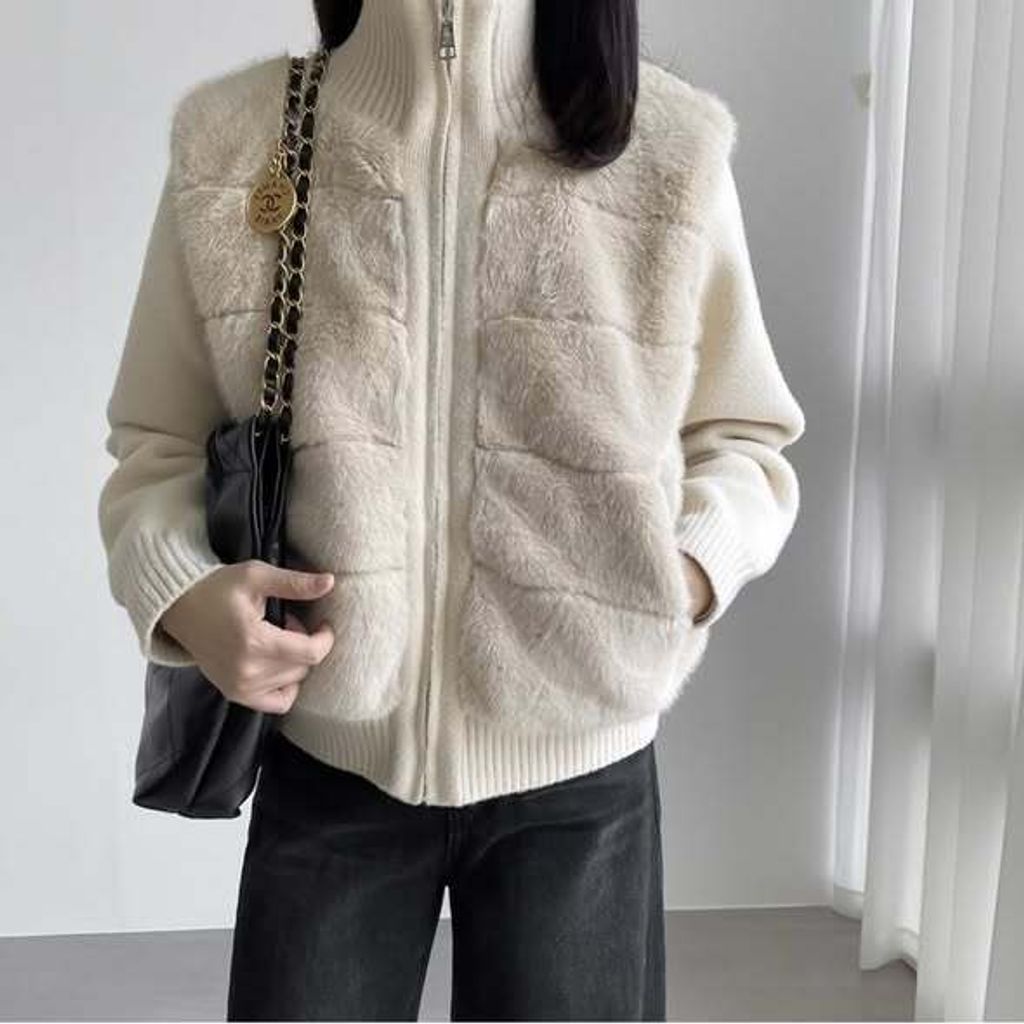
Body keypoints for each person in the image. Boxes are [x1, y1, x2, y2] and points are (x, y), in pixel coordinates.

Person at [97, 0, 806, 1019]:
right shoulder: (235, 140)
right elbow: (157, 444)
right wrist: (186, 595)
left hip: (582, 775)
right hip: (328, 761)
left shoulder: (668, 149)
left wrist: (679, 578)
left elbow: (744, 440)